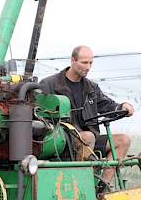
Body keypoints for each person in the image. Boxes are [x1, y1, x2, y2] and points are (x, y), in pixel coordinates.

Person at [39, 45, 134, 191]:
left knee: (123, 140)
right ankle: (83, 188)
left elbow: (109, 105)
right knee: (88, 137)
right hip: (64, 141)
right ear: (72, 60)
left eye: (90, 63)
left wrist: (123, 106)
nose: (88, 67)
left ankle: (101, 187)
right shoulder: (49, 84)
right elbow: (39, 115)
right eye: (84, 62)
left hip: (90, 139)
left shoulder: (91, 88)